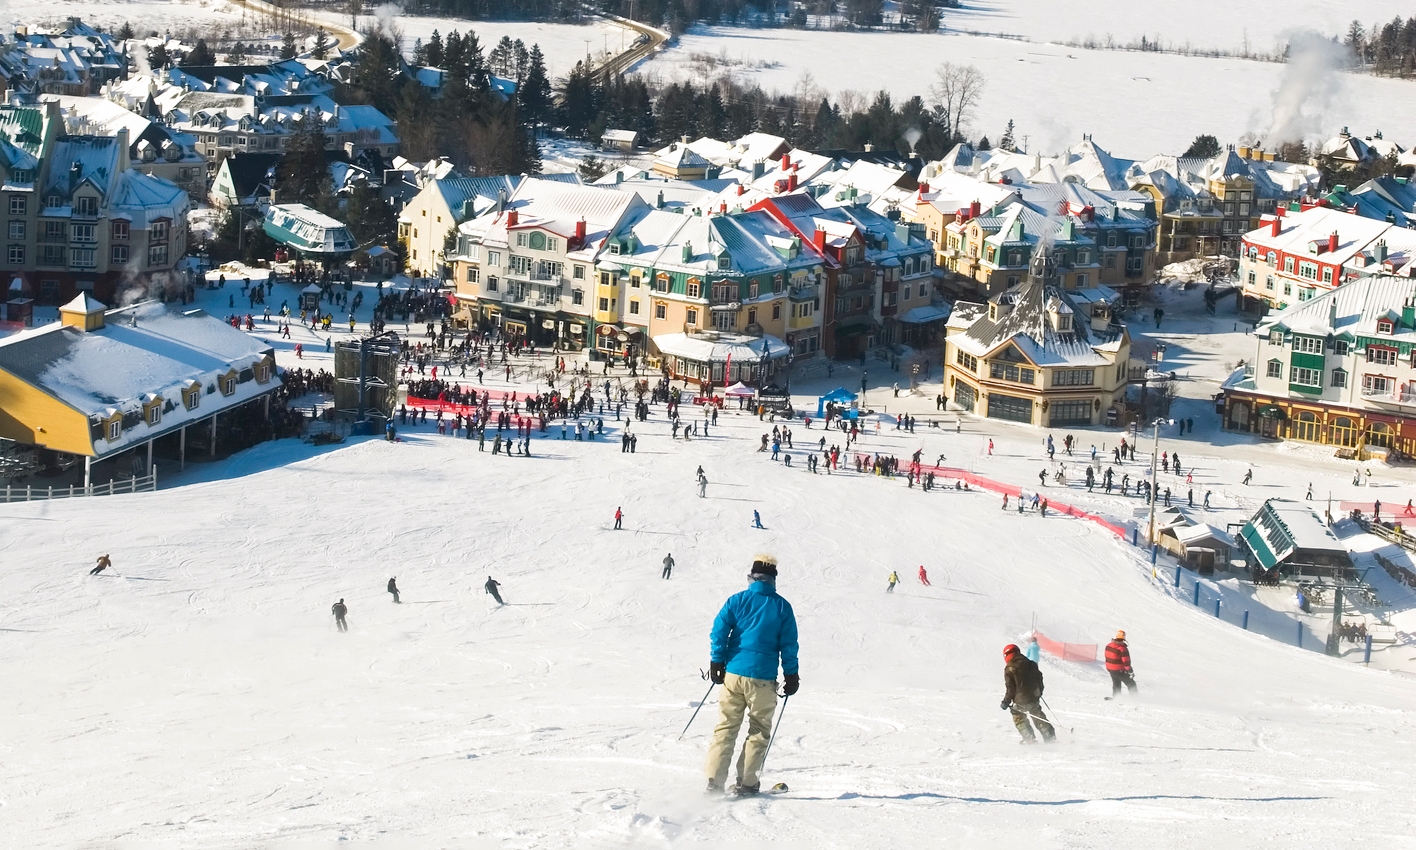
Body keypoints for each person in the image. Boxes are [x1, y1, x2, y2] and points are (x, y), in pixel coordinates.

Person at [705, 555, 799, 797]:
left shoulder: (737, 601)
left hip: (734, 674)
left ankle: (714, 782)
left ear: (752, 576)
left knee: (726, 727)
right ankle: (747, 784)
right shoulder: (781, 607)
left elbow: (719, 631)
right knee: (758, 730)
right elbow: (789, 644)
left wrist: (717, 661)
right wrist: (791, 675)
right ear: (773, 579)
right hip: (763, 678)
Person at [1000, 644, 1054, 743]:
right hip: (1034, 697)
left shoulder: (1010, 668)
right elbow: (1039, 678)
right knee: (1038, 715)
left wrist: (1006, 702)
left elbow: (1010, 689)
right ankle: (1050, 737)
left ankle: (1029, 738)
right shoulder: (1031, 664)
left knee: (1018, 716)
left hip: (1020, 700)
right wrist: (1039, 692)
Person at [1104, 630, 1138, 698]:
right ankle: (1135, 698)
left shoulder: (1108, 645)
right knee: (1131, 683)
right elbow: (1126, 662)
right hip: (1119, 669)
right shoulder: (1122, 649)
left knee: (1116, 682)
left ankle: (1117, 697)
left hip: (1110, 668)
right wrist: (1130, 671)